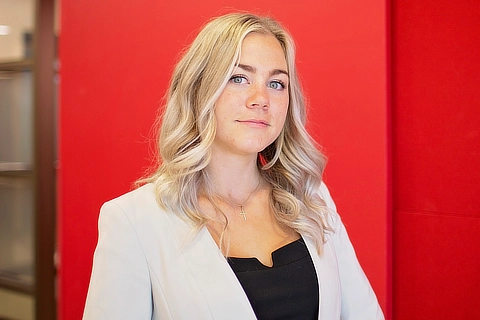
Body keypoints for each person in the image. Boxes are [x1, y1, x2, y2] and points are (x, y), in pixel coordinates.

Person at [83, 12, 384, 320]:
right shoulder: (134, 220)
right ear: (199, 90)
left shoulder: (312, 198)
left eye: (277, 83)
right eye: (239, 78)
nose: (261, 98)